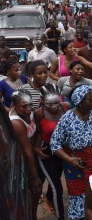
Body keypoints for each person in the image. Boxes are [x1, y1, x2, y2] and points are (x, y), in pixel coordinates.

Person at [50, 85, 92, 220]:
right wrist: (69, 159)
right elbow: (55, 144)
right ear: (79, 102)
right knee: (79, 194)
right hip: (76, 163)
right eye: (90, 100)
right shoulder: (67, 119)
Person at [33, 84, 71, 219]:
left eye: (57, 102)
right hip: (45, 150)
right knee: (57, 187)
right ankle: (61, 216)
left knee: (55, 177)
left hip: (62, 150)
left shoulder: (66, 107)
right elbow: (38, 132)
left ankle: (49, 199)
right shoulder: (39, 113)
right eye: (50, 104)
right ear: (42, 100)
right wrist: (36, 148)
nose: (54, 107)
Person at [9, 89, 42, 220]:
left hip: (32, 153)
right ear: (14, 106)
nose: (29, 108)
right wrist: (34, 177)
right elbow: (27, 151)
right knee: (34, 189)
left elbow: (38, 130)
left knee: (36, 191)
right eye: (24, 106)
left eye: (30, 104)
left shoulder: (30, 112)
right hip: (22, 160)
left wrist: (36, 146)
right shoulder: (16, 122)